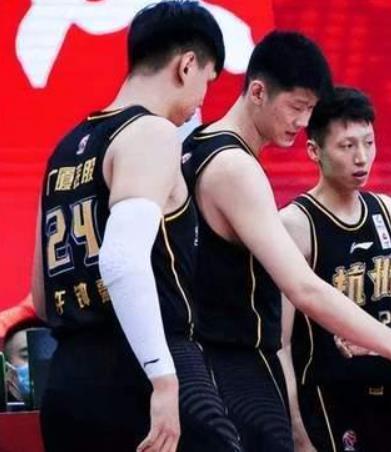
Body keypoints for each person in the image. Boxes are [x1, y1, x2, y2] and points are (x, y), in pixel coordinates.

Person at [181, 32, 391, 452]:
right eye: (296, 107)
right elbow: (304, 288)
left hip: (218, 368)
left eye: (310, 109)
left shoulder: (197, 147)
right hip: (236, 371)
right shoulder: (236, 168)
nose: (301, 121)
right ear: (257, 92)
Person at [30, 2, 242, 451]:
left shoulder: (63, 150)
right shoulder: (152, 133)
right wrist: (163, 379)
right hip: (146, 370)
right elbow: (122, 262)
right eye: (207, 82)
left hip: (67, 385)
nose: (202, 102)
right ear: (187, 65)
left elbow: (44, 299)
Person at [279, 86, 391, 452]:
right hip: (328, 402)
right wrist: (298, 433)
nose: (362, 157)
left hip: (388, 399)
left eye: (368, 143)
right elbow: (282, 343)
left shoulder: (390, 214)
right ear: (314, 151)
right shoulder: (295, 224)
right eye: (347, 146)